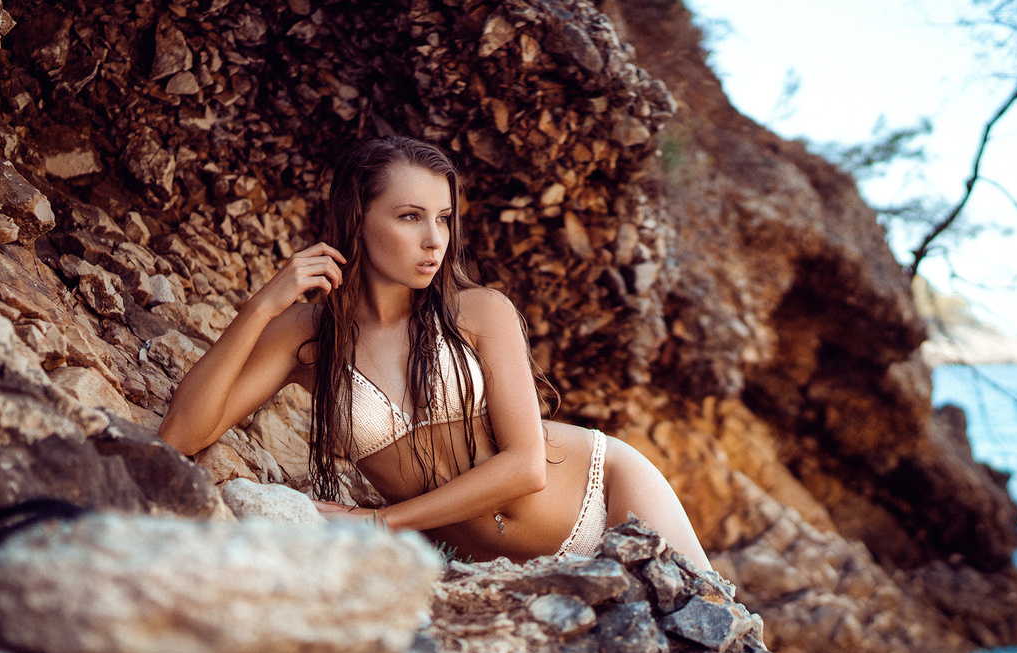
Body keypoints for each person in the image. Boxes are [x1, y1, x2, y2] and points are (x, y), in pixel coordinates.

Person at [158, 136, 711, 569]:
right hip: (498, 569)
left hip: (605, 494)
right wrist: (260, 309)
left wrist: (379, 522)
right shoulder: (307, 337)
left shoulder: (478, 311)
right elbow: (180, 436)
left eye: (443, 218)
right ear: (357, 218)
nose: (434, 239)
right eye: (409, 216)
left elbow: (525, 468)